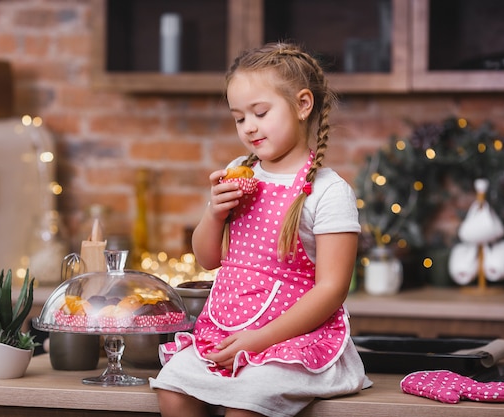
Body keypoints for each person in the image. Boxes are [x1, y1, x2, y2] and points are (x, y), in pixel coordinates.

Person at [149, 41, 371, 417]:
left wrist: (259, 340)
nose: (249, 127)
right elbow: (206, 259)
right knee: (172, 390)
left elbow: (332, 289)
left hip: (291, 343)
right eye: (239, 118)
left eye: (260, 112)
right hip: (229, 331)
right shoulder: (241, 171)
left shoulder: (330, 192)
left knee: (244, 408)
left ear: (303, 105)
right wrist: (214, 214)